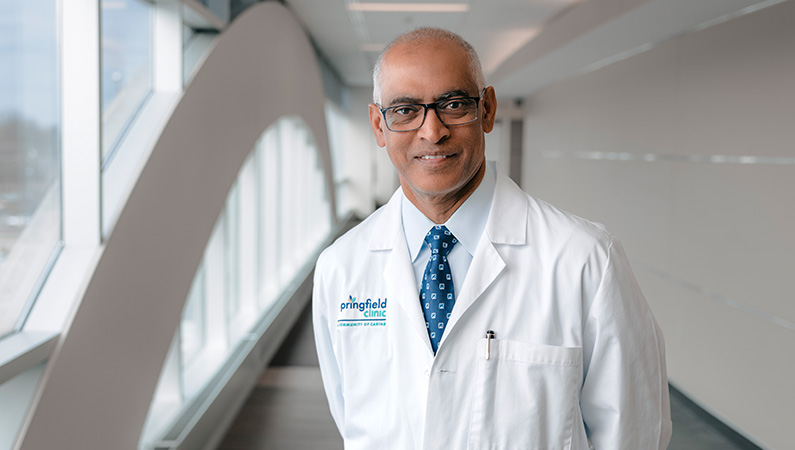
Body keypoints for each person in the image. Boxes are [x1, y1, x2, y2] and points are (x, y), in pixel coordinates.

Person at [312, 27, 672, 450]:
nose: (432, 131)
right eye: (406, 110)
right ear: (379, 124)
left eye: (453, 104)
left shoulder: (585, 260)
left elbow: (634, 434)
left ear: (487, 110)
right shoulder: (342, 267)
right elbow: (351, 417)